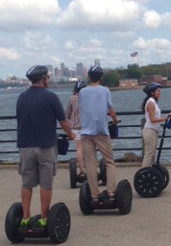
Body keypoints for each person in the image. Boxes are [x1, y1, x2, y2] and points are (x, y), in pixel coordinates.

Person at [16, 65, 75, 228]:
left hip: (25, 146)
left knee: (27, 183)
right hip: (46, 146)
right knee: (45, 184)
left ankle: (25, 217)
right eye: (47, 77)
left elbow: (20, 120)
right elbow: (63, 121)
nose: (48, 80)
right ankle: (43, 218)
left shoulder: (21, 97)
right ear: (43, 79)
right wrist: (71, 135)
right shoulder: (51, 97)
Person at [78, 65, 120, 202]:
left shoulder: (82, 92)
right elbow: (110, 109)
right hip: (101, 130)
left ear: (89, 77)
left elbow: (82, 109)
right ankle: (111, 192)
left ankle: (94, 195)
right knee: (109, 161)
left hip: (85, 131)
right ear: (101, 77)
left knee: (90, 163)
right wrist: (115, 120)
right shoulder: (105, 91)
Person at [141, 82, 171, 167]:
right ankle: (143, 173)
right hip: (150, 131)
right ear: (152, 93)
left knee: (152, 155)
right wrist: (165, 117)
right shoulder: (151, 103)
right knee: (149, 155)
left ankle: (148, 172)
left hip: (153, 130)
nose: (159, 93)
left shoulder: (153, 102)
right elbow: (152, 119)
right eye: (158, 91)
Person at [66, 79, 87, 178]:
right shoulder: (88, 98)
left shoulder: (72, 98)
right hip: (88, 127)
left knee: (79, 149)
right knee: (89, 149)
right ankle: (92, 169)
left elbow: (67, 114)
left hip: (75, 128)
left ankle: (82, 170)